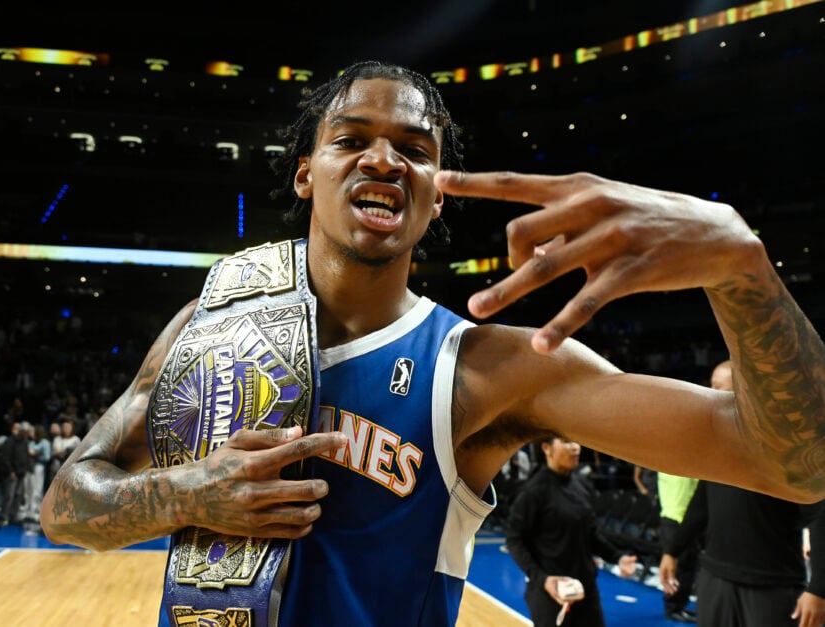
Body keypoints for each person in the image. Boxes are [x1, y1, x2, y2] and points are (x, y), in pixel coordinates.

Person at [40, 61, 825, 626]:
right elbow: (65, 504)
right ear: (306, 172)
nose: (384, 158)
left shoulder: (492, 369)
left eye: (414, 148)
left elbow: (796, 462)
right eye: (352, 139)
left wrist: (741, 266)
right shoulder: (205, 326)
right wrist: (186, 492)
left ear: (437, 191)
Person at [660, 360, 825, 627]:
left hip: (772, 584)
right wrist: (672, 550)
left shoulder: (790, 448)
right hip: (715, 576)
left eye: (717, 388)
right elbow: (701, 506)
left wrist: (819, 588)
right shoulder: (716, 444)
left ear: (747, 392)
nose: (709, 394)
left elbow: (820, 517)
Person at [505, 436, 637, 626]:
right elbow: (514, 539)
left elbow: (591, 535)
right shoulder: (534, 491)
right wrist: (541, 578)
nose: (575, 447)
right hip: (550, 592)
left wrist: (618, 557)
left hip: (585, 589)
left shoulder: (581, 485)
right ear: (546, 448)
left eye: (576, 442)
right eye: (567, 442)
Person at [656, 470, 700, 622]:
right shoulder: (673, 463)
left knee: (688, 564)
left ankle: (679, 604)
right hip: (674, 516)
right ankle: (672, 607)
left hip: (686, 517)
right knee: (678, 566)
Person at [0, 421, 32, 527]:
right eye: (25, 432)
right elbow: (5, 457)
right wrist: (10, 471)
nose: (26, 434)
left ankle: (13, 517)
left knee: (18, 496)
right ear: (21, 431)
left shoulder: (25, 442)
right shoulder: (10, 441)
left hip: (21, 472)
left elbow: (26, 456)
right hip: (12, 473)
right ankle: (2, 517)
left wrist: (27, 469)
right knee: (9, 496)